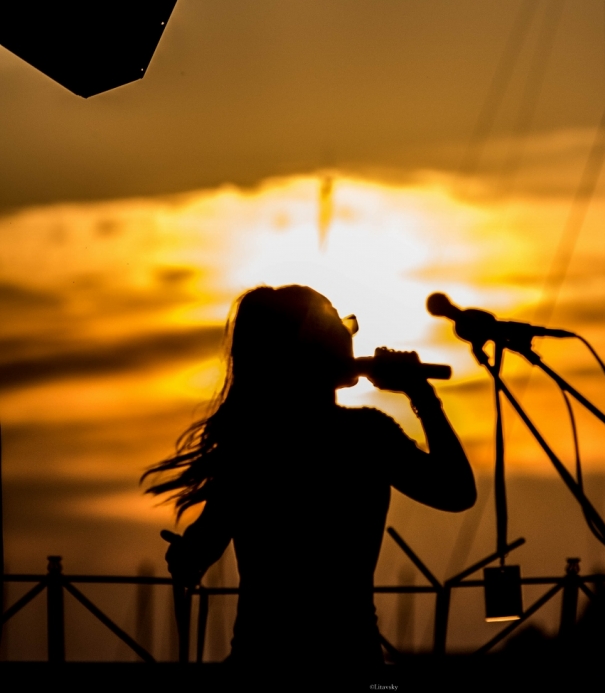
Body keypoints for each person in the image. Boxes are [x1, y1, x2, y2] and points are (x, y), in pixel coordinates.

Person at [143, 284, 476, 670]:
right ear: (312, 341)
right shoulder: (366, 436)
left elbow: (196, 555)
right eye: (340, 325)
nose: (351, 335)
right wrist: (421, 394)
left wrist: (183, 554)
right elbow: (457, 491)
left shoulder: (250, 444)